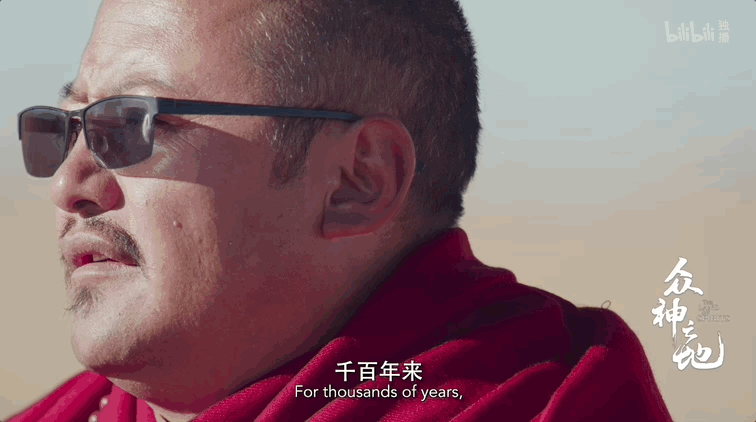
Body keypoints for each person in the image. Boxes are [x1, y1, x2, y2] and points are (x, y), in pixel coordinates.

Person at [9, 0, 674, 421]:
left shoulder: (538, 400)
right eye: (63, 128)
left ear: (358, 181)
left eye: (132, 125)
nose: (69, 184)